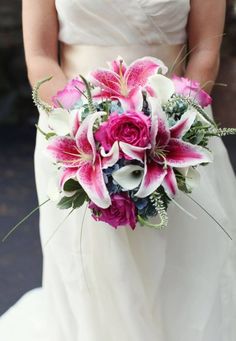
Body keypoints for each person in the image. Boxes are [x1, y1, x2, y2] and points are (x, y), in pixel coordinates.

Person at [0, 0, 236, 340]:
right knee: (96, 275)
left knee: (183, 275)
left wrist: (166, 126)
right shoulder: (78, 135)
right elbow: (40, 59)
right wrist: (87, 133)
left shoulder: (172, 132)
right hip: (76, 142)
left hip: (172, 138)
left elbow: (204, 55)